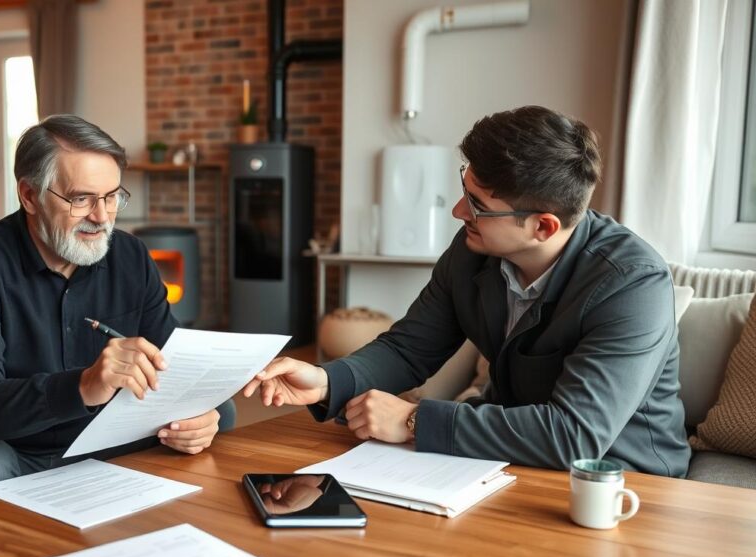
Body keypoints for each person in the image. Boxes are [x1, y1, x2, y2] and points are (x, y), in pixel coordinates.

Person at [243, 106, 690, 477]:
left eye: (479, 205)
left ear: (543, 226)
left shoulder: (632, 283)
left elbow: (573, 435)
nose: (459, 211)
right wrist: (325, 381)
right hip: (503, 460)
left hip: (620, 482)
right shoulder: (475, 248)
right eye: (465, 189)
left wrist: (415, 421)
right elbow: (408, 348)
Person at [0, 115, 235, 500]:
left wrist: (197, 417)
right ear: (29, 196)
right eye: (81, 198)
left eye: (112, 196)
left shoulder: (130, 255)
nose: (102, 216)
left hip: (96, 439)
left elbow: (173, 366)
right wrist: (84, 385)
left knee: (222, 410)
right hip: (5, 445)